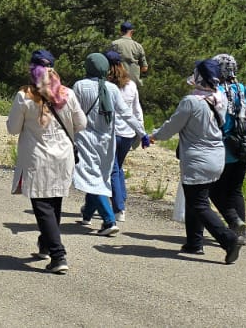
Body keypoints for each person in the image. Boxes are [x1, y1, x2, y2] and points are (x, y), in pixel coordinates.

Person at [147, 58, 241, 264]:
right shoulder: (220, 97)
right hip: (216, 156)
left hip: (198, 158)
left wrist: (153, 136)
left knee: (198, 202)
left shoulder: (191, 101)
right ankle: (194, 242)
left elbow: (172, 126)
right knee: (197, 198)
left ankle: (228, 239)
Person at [7, 49, 86, 275]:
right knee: (54, 203)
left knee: (43, 207)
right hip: (63, 156)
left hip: (38, 157)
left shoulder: (24, 96)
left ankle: (58, 254)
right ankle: (45, 244)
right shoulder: (67, 94)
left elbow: (12, 129)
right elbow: (82, 123)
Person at [72, 53, 140, 236]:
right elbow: (127, 114)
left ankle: (109, 219)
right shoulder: (112, 89)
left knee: (91, 178)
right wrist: (142, 133)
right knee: (99, 176)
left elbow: (73, 111)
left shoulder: (80, 86)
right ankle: (87, 213)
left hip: (85, 138)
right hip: (106, 141)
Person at [210, 53, 246, 243]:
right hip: (245, 145)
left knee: (214, 190)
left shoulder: (217, 91)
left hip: (224, 146)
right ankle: (240, 232)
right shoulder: (244, 90)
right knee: (235, 190)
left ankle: (233, 221)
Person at [105, 50, 144, 223]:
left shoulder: (106, 86)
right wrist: (141, 133)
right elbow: (137, 111)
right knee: (118, 167)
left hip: (112, 133)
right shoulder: (131, 85)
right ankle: (122, 197)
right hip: (128, 133)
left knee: (112, 170)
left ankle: (119, 207)